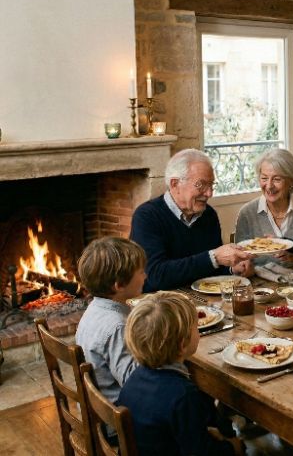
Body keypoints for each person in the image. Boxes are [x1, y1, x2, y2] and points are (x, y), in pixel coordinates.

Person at [119, 291, 243, 456]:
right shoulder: (183, 395)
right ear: (182, 344)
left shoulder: (133, 379)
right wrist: (234, 447)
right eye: (195, 327)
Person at [130, 149, 253, 292]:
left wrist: (232, 268)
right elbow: (156, 276)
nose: (209, 193)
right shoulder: (147, 216)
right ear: (175, 184)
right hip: (159, 304)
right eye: (201, 185)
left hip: (203, 301)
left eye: (211, 185)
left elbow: (212, 270)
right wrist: (214, 258)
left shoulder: (209, 214)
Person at [75, 237, 145, 404]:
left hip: (100, 407)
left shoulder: (95, 308)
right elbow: (135, 383)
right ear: (119, 285)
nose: (146, 276)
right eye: (141, 272)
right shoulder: (117, 326)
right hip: (118, 418)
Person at [234, 148, 293, 266]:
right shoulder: (247, 213)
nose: (269, 186)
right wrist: (243, 266)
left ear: (291, 182)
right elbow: (240, 259)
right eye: (264, 178)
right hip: (259, 283)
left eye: (277, 179)